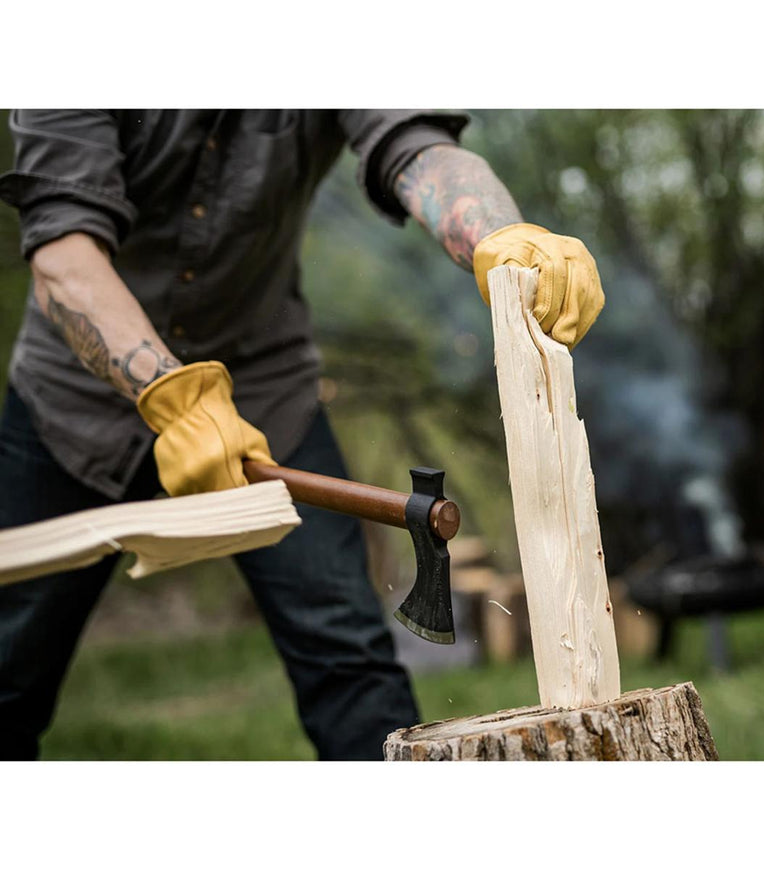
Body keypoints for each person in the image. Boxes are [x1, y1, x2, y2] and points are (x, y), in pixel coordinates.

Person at [0, 109, 605, 760]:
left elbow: (413, 145)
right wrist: (170, 396)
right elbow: (62, 246)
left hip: (264, 392)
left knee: (350, 660)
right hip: (70, 405)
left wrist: (501, 235)